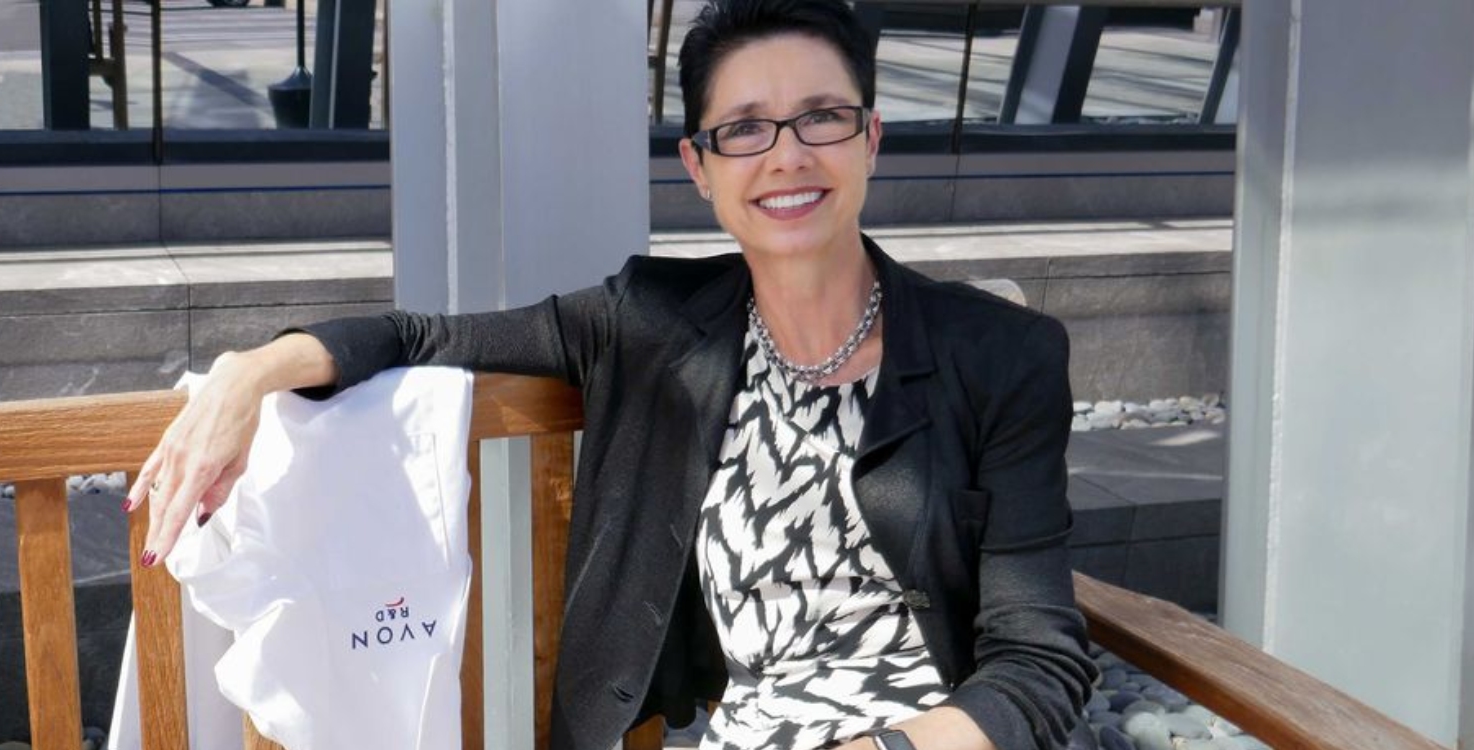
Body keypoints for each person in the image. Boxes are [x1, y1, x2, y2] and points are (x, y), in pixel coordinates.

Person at [126, 1, 1097, 748]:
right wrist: (251, 374)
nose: (787, 155)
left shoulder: (1000, 355)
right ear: (700, 167)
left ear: (870, 139)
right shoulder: (650, 321)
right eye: (744, 128)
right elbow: (423, 335)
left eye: (822, 118)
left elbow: (1039, 661)